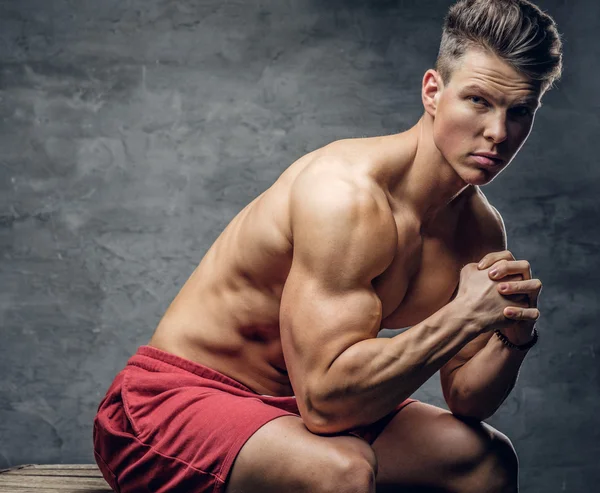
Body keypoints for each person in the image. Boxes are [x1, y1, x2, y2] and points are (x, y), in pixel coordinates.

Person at [93, 1, 563, 492]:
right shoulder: (346, 196)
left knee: (484, 460)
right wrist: (465, 316)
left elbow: (467, 398)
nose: (498, 132)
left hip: (293, 411)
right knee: (340, 469)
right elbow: (324, 403)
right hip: (171, 403)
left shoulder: (479, 231)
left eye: (519, 111)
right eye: (478, 102)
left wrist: (513, 334)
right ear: (433, 92)